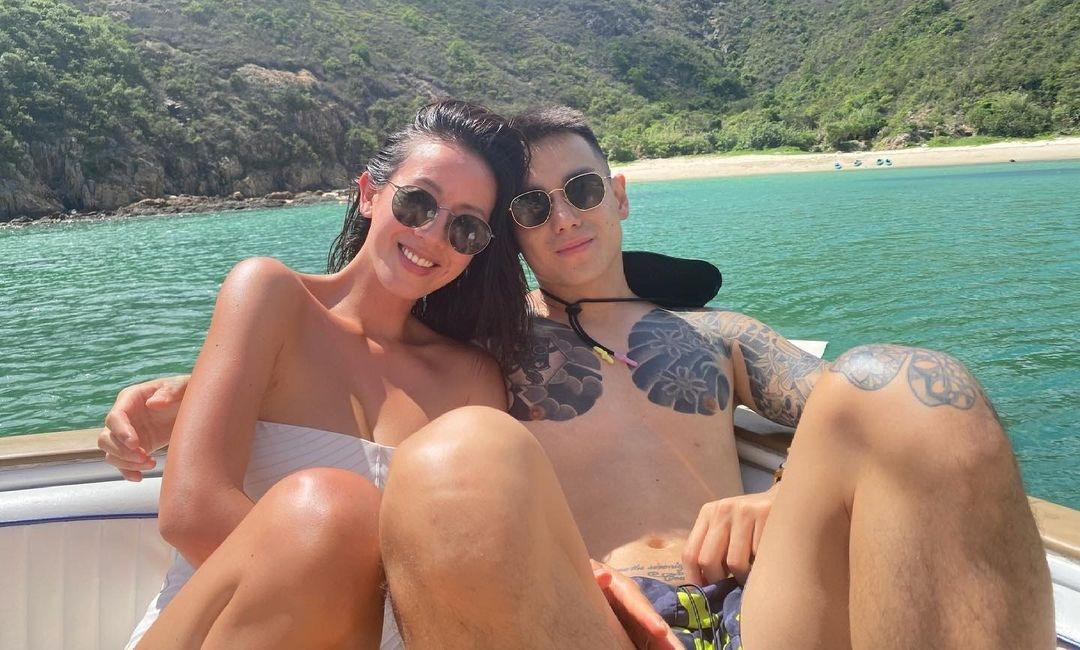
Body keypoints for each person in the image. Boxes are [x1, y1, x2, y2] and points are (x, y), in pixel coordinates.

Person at [104, 106, 1055, 649]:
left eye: (583, 190)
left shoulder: (718, 336)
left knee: (911, 381)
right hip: (596, 620)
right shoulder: (494, 351)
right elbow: (350, 372)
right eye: (529, 208)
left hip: (769, 607)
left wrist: (781, 496)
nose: (562, 216)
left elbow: (860, 422)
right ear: (507, 241)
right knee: (458, 456)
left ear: (621, 196)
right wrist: (186, 394)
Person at [118, 100, 535, 649]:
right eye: (417, 202)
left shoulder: (472, 380)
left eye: (466, 228)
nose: (434, 234)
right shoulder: (272, 296)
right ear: (369, 194)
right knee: (330, 505)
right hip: (213, 633)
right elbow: (193, 512)